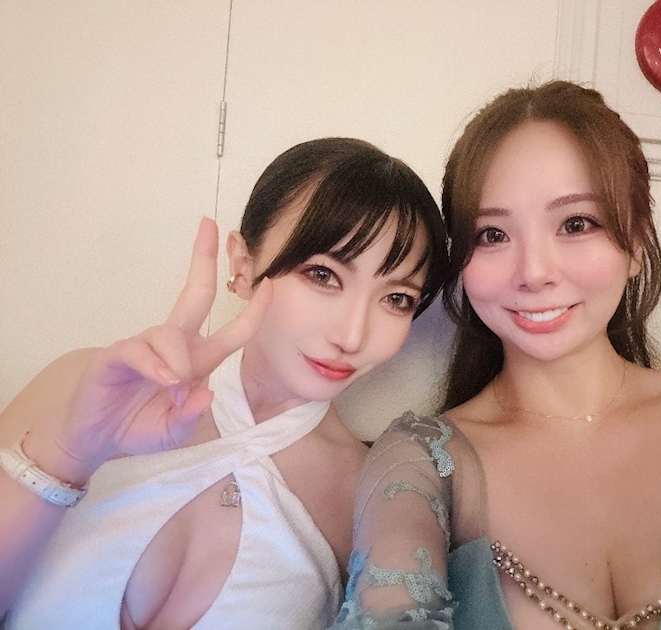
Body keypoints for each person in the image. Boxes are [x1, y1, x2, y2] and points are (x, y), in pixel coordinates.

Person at [331, 81, 661, 629]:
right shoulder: (419, 460)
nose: (534, 272)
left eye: (576, 224)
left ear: (636, 243)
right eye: (492, 234)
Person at [0, 137, 449, 629]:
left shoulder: (372, 498)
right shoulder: (85, 388)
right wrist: (66, 453)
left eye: (397, 299)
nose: (351, 336)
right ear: (241, 264)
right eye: (322, 274)